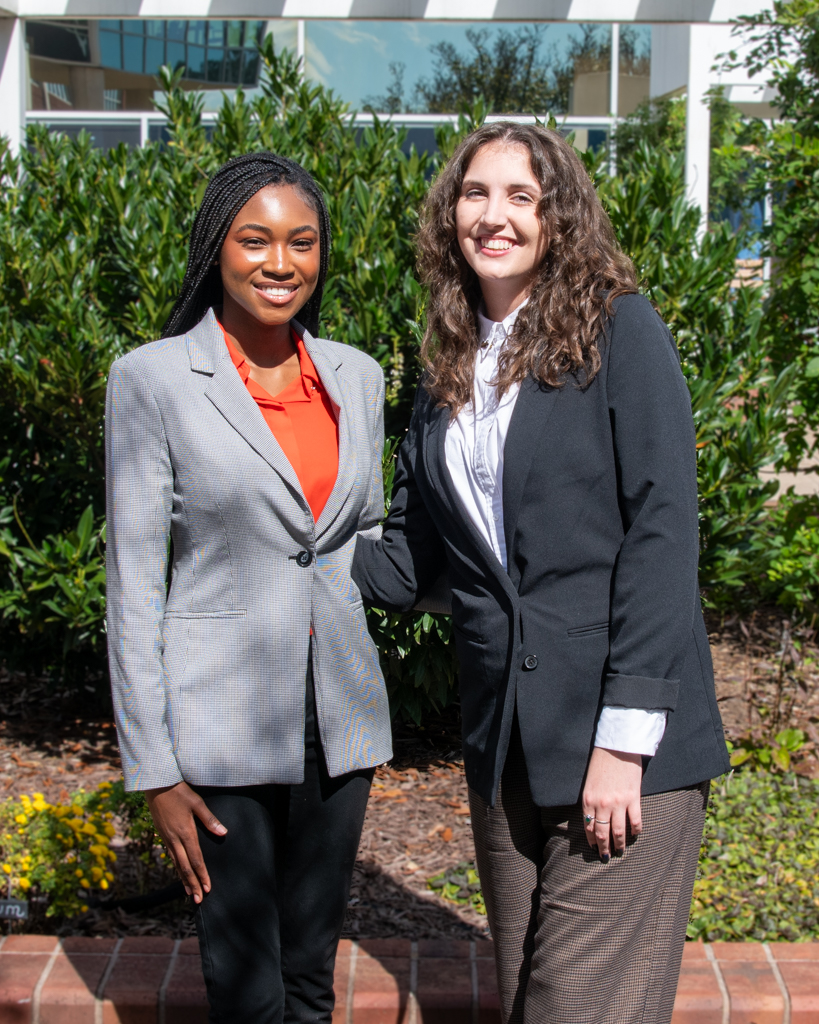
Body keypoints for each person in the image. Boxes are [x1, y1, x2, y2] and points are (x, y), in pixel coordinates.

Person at [353, 122, 730, 1024]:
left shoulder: (619, 332)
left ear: (558, 218)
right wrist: (283, 543)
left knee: (579, 1007)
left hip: (620, 747)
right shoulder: (447, 362)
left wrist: (621, 743)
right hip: (507, 748)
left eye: (521, 197)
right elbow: (412, 561)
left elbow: (661, 535)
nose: (494, 216)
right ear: (449, 216)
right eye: (475, 194)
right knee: (529, 998)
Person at [105, 152, 391, 1024]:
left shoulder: (356, 377)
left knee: (309, 977)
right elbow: (132, 588)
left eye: (301, 242)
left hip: (337, 724)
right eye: (255, 239)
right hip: (216, 730)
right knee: (245, 988)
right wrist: (153, 770)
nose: (280, 262)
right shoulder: (151, 380)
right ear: (215, 248)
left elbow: (365, 538)